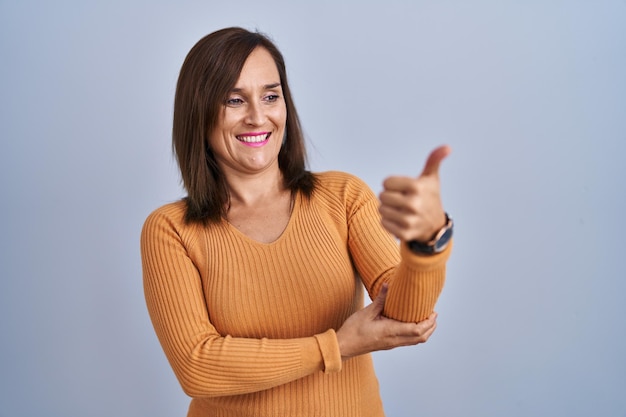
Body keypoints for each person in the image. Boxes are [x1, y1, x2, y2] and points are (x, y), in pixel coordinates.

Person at [141, 27, 453, 417]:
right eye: (234, 100)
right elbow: (198, 366)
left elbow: (405, 318)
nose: (258, 117)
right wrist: (336, 346)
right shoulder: (170, 230)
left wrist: (427, 241)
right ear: (199, 112)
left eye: (271, 96)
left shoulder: (341, 197)